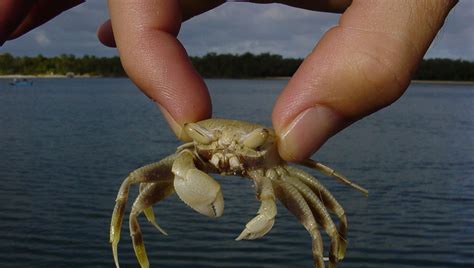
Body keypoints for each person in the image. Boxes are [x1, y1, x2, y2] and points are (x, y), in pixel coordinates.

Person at [0, 0, 458, 161]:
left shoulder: (268, 151)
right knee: (136, 190)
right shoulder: (200, 146)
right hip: (220, 138)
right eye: (219, 148)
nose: (227, 155)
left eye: (234, 150)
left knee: (323, 210)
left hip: (272, 153)